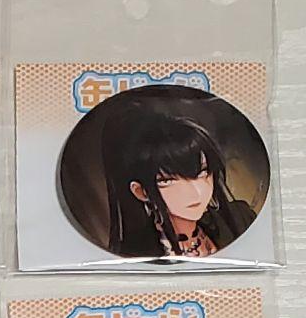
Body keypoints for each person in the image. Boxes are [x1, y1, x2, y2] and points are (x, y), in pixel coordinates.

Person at [100, 92, 256, 258]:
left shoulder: (240, 218)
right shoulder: (135, 252)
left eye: (202, 172)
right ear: (141, 191)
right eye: (169, 180)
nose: (196, 191)